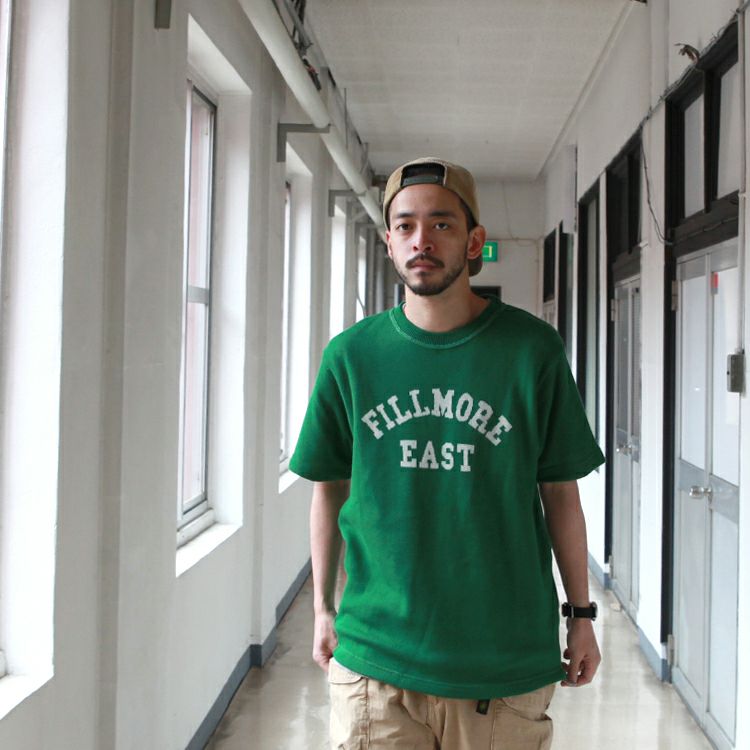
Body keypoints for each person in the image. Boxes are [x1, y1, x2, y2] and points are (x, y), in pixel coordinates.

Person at [289, 157, 605, 749]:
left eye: (441, 224)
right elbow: (328, 489)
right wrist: (323, 609)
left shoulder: (531, 351)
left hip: (502, 660)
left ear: (474, 242)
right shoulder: (351, 357)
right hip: (376, 662)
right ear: (389, 243)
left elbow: (561, 494)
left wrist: (581, 616)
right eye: (405, 226)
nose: (422, 240)